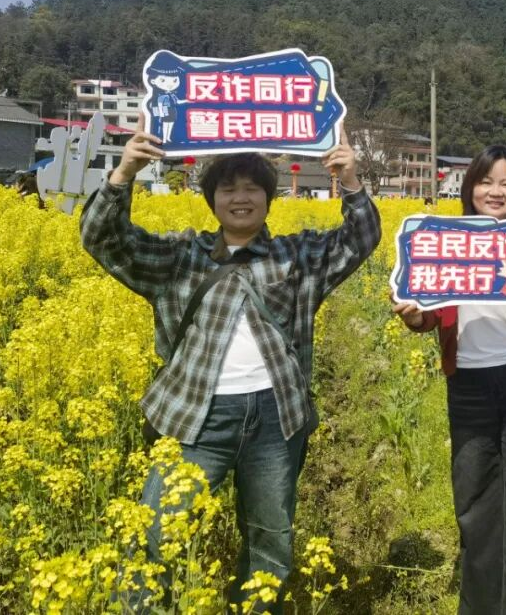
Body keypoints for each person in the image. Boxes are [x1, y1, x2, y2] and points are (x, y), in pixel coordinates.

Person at [80, 113, 381, 612]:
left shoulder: (296, 256)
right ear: (212, 199)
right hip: (195, 416)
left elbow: (360, 239)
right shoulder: (181, 255)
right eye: (228, 188)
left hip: (276, 417)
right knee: (156, 535)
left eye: (252, 188)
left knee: (270, 540)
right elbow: (101, 239)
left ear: (268, 197)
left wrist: (349, 181)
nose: (241, 197)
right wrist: (124, 172)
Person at [393, 145, 506, 615]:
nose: (495, 192)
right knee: (475, 508)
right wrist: (414, 318)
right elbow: (429, 316)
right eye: (486, 181)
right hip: (469, 388)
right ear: (469, 186)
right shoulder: (445, 242)